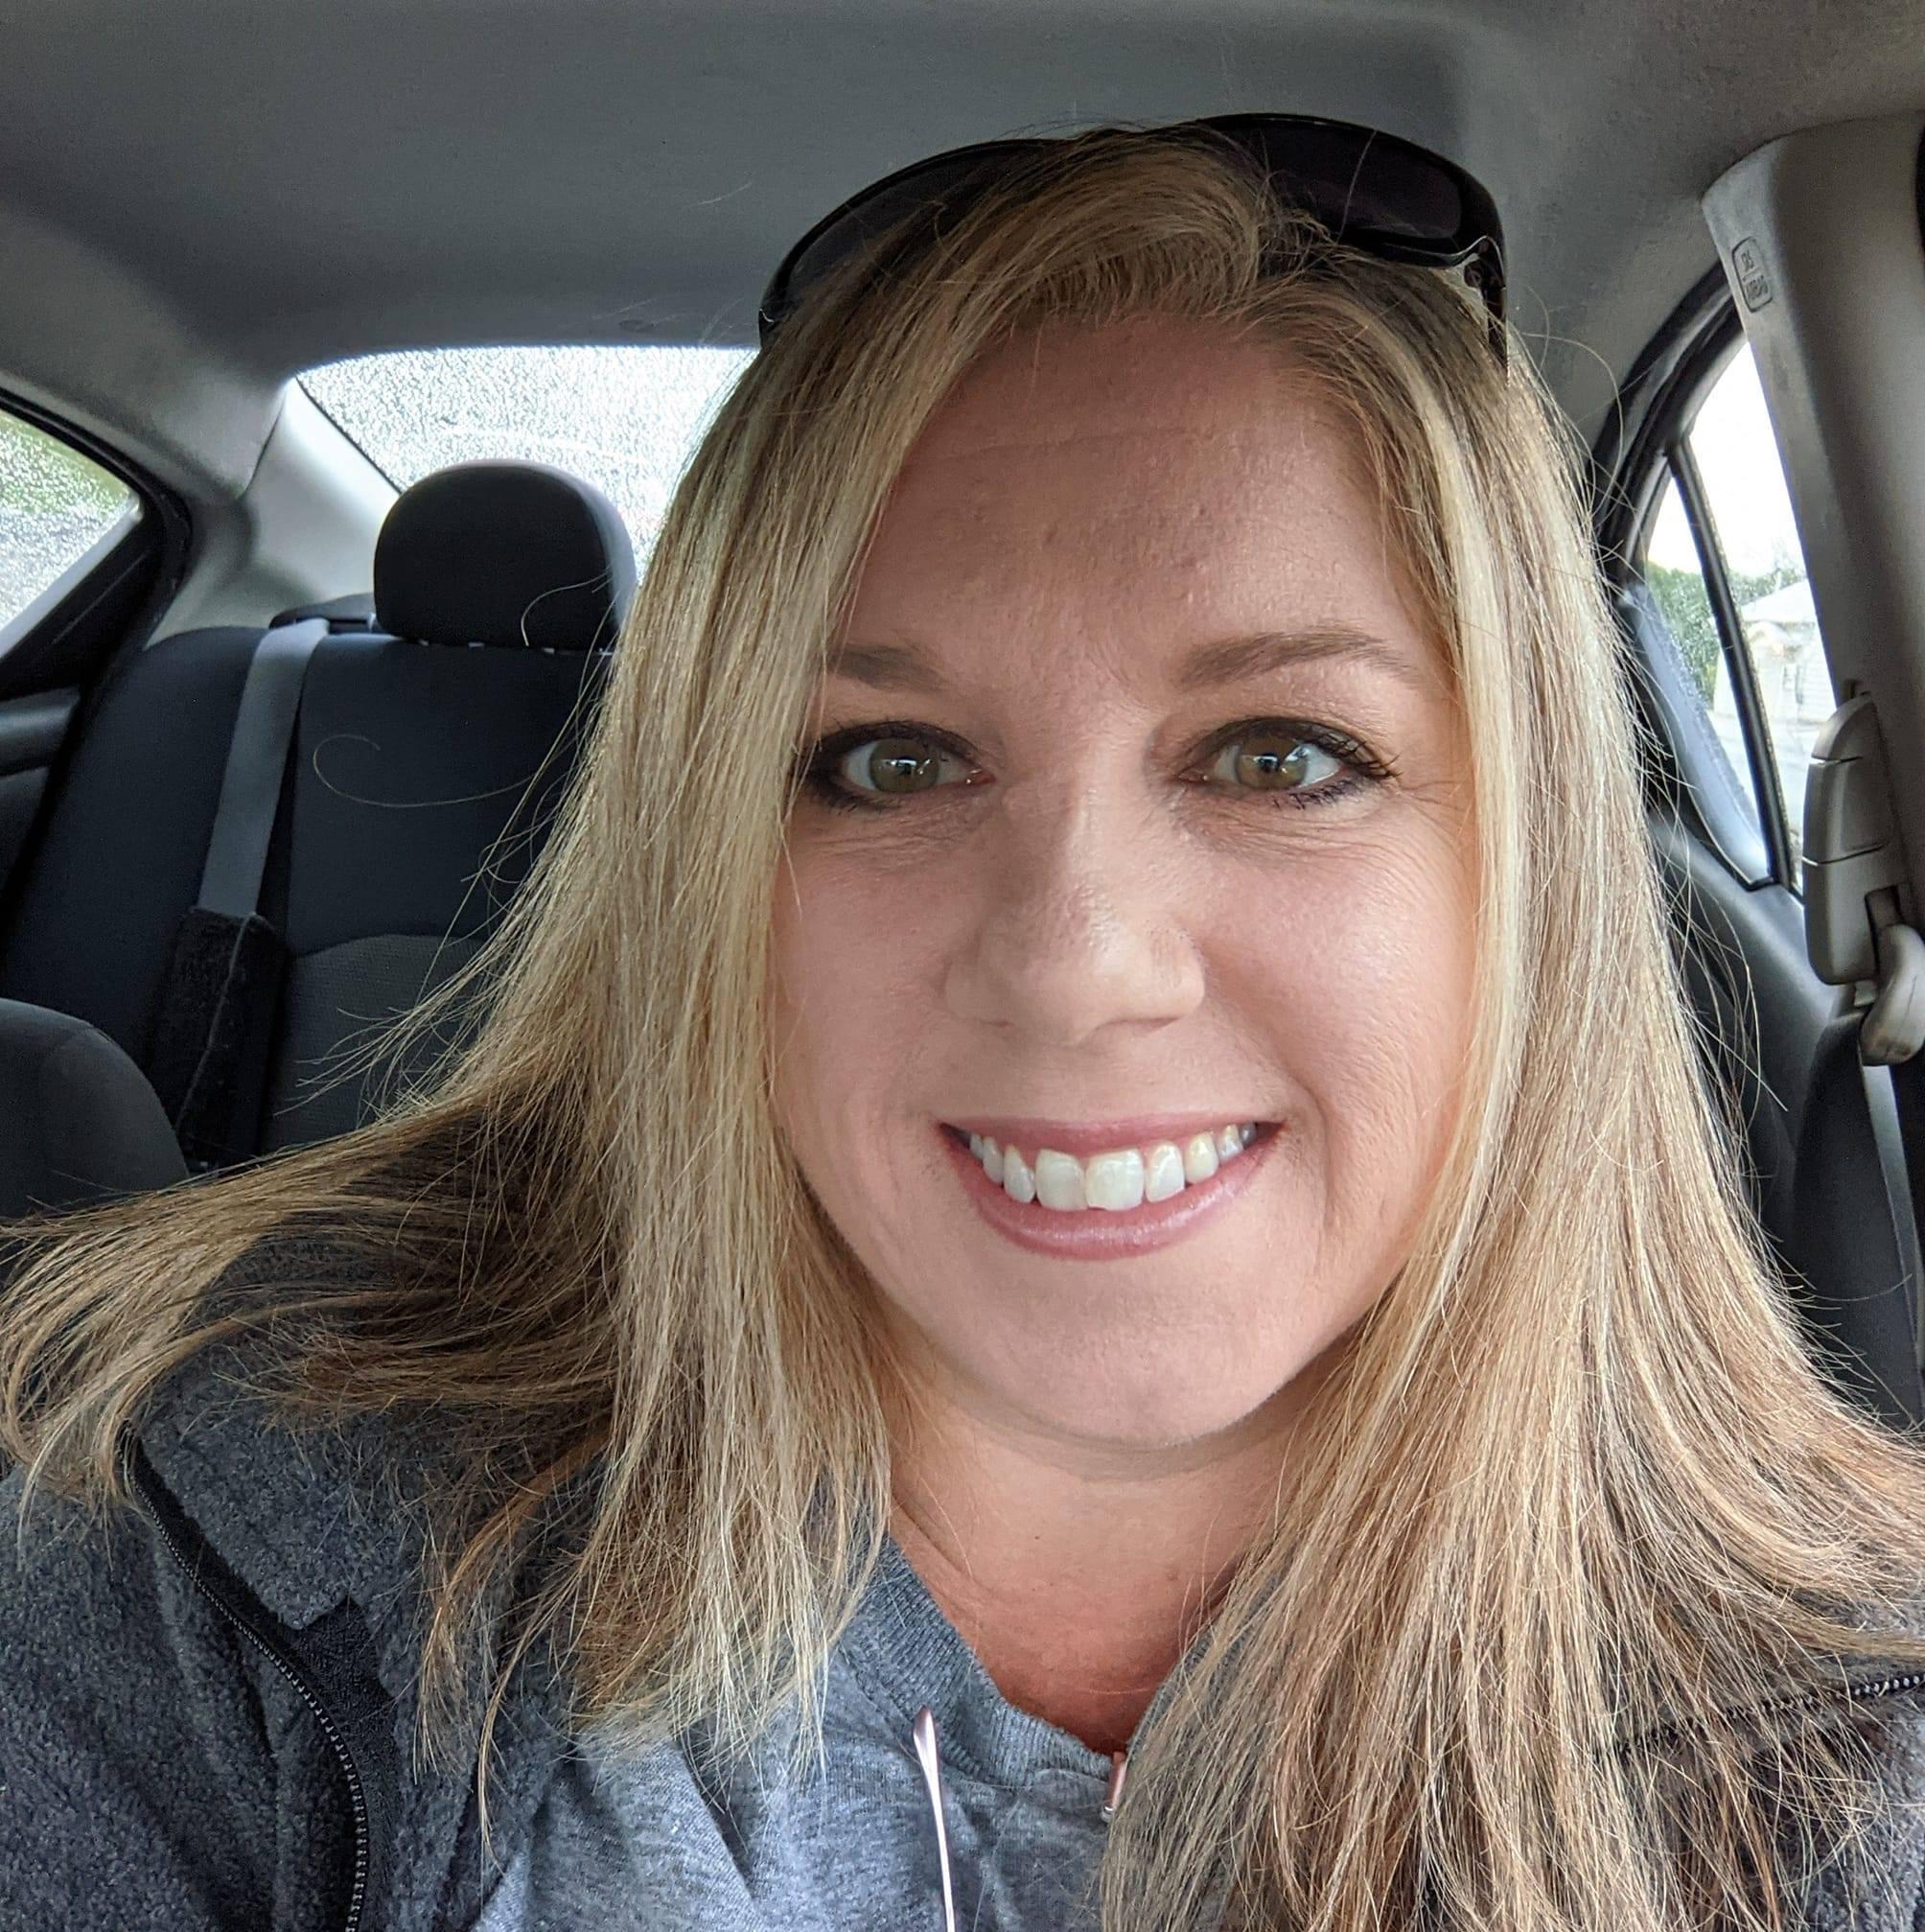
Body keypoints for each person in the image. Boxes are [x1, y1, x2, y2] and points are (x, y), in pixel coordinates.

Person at [2, 120, 1922, 1932]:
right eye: (889, 761)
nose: (1074, 962)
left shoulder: (1852, 1737)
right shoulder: (189, 1538)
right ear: (704, 878)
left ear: (1526, 878)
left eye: (1280, 754)